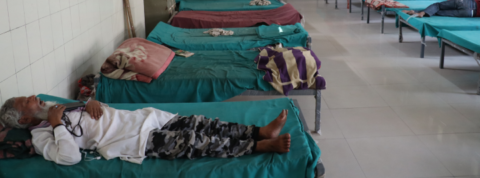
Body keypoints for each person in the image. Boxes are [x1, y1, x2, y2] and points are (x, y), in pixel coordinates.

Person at [0, 95, 291, 165]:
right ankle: (257, 147)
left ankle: (259, 132)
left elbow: (79, 102)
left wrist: (89, 101)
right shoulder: (42, 135)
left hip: (141, 119)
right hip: (129, 139)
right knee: (191, 140)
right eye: (28, 101)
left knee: (202, 122)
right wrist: (56, 125)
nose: (35, 98)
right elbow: (70, 157)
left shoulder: (49, 105)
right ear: (24, 121)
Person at [402, 0, 480, 18]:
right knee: (439, 13)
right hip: (470, 14)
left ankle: (420, 12)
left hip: (469, 3)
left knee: (438, 6)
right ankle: (418, 12)